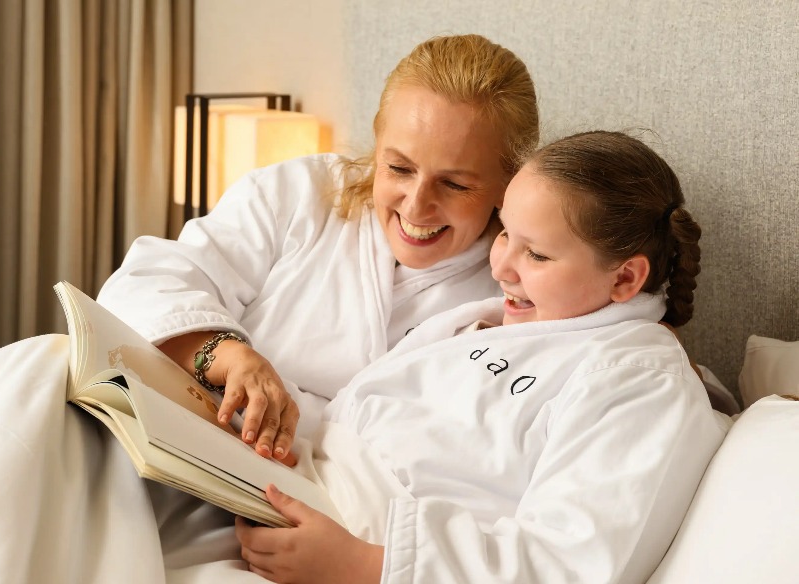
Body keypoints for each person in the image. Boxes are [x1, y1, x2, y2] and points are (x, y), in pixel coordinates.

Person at [233, 131, 730, 584]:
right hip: (298, 492)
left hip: (368, 555)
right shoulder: (499, 320)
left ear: (624, 278)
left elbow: (567, 562)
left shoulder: (640, 381)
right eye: (505, 232)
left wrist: (363, 567)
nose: (501, 266)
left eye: (536, 255)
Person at [96, 33, 540, 459]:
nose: (418, 205)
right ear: (378, 141)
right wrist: (230, 357)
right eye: (399, 168)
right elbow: (147, 282)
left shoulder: (522, 288)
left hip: (329, 498)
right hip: (186, 432)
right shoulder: (302, 192)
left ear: (510, 183)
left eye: (455, 183)